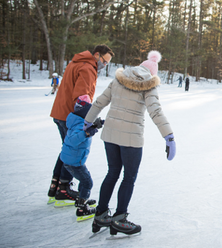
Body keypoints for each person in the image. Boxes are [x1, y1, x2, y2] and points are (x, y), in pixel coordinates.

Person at [85, 50, 175, 237]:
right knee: (129, 177)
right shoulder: (149, 84)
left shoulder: (119, 78)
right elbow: (155, 112)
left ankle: (101, 215)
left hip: (110, 135)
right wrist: (169, 136)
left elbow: (101, 101)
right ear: (153, 73)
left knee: (112, 173)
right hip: (132, 139)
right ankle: (119, 219)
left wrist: (88, 120)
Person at [48, 45, 114, 205]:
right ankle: (63, 189)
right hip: (70, 116)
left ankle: (55, 186)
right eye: (104, 61)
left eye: (107, 63)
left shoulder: (76, 62)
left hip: (60, 112)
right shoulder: (88, 68)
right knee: (72, 150)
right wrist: (90, 119)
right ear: (97, 55)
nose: (104, 65)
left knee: (66, 148)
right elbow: (81, 98)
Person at [60, 95, 104, 221]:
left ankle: (81, 199)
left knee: (83, 181)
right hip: (74, 162)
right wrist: (87, 133)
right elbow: (74, 140)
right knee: (87, 182)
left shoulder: (76, 121)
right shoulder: (80, 126)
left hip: (71, 159)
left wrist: (95, 126)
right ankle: (82, 208)